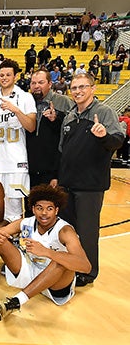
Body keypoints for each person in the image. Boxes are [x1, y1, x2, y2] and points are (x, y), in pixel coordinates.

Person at [0, 185, 92, 322]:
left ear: (56, 211)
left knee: (61, 260)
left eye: (49, 209)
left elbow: (85, 266)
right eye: (39, 208)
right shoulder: (26, 222)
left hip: (55, 285)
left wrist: (47, 252)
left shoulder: (65, 231)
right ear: (33, 209)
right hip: (30, 272)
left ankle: (15, 302)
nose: (44, 213)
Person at [58, 73, 124, 286]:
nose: (77, 91)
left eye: (82, 87)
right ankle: (70, 266)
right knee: (68, 229)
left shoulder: (104, 113)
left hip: (90, 185)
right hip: (67, 183)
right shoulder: (69, 116)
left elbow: (117, 142)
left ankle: (87, 272)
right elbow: (63, 148)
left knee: (87, 231)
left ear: (93, 88)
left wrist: (104, 135)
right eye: (74, 88)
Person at [0, 59, 36, 223]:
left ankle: (14, 242)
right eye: (1, 75)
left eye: (8, 75)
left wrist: (16, 110)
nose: (4, 78)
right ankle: (1, 242)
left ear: (15, 76)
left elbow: (31, 126)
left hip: (16, 161)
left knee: (14, 206)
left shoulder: (25, 97)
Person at [25, 69, 74, 216]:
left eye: (41, 82)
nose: (36, 86)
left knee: (51, 212)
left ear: (50, 83)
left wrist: (57, 118)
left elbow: (71, 132)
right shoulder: (26, 102)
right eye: (33, 83)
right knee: (30, 210)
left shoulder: (63, 101)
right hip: (29, 169)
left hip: (52, 169)